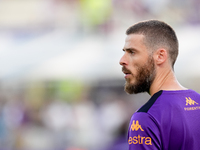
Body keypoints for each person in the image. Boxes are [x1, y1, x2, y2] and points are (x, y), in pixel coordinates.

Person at [119, 20, 200, 150]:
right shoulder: (197, 100)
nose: (122, 60)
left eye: (132, 52)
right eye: (124, 52)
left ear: (160, 56)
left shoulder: (146, 117)